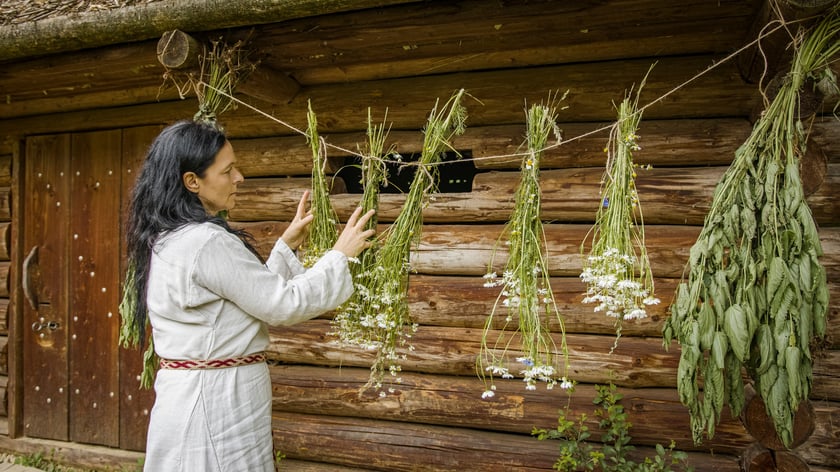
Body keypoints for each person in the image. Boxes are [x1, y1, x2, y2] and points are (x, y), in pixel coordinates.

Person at [122, 119, 375, 471]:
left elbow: (240, 299)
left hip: (199, 390)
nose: (239, 177)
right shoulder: (204, 241)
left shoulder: (172, 238)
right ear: (192, 181)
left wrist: (285, 247)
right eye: (228, 171)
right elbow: (281, 304)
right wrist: (339, 257)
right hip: (215, 399)